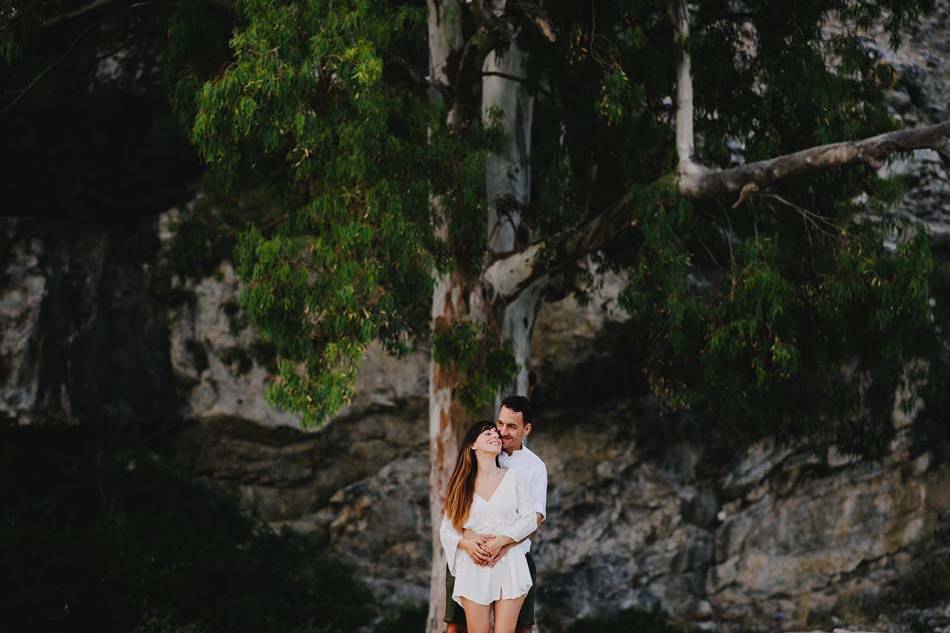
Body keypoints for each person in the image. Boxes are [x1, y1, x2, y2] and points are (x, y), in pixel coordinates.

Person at [445, 396, 548, 633]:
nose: (501, 432)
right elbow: (454, 512)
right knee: (454, 627)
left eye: (511, 426)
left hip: (515, 552)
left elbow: (535, 516)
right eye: (499, 423)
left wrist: (503, 543)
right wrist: (469, 542)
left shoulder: (533, 467)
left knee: (522, 629)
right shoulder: (482, 453)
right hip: (471, 551)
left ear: (527, 429)